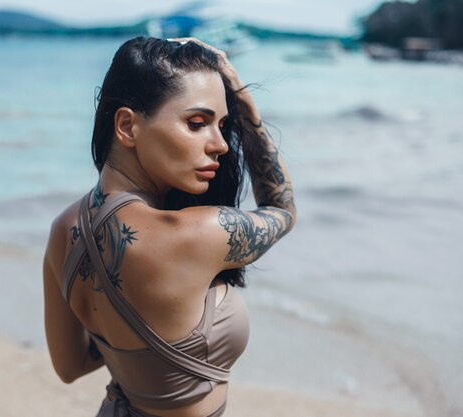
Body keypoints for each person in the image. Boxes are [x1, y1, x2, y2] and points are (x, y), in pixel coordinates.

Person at [43, 36, 297, 417]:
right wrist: (243, 100)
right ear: (127, 126)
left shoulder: (63, 230)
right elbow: (283, 208)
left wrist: (126, 337)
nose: (221, 145)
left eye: (223, 125)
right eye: (197, 123)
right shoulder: (199, 233)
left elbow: (69, 367)